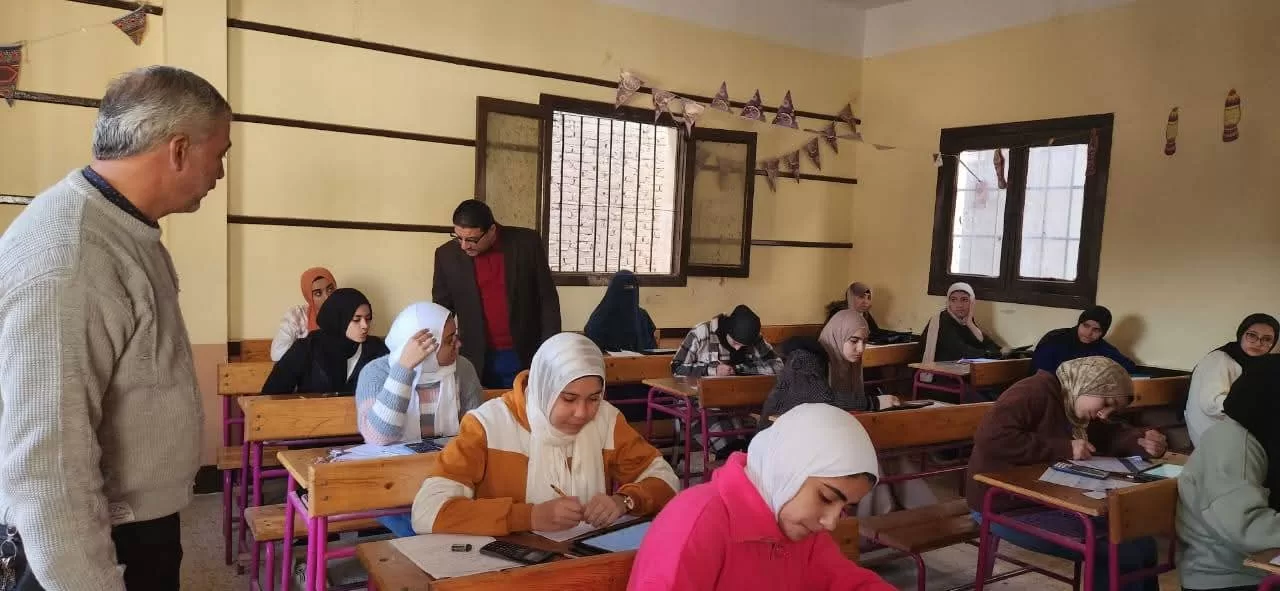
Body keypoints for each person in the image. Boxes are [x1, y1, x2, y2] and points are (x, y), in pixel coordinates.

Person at [0, 66, 229, 590]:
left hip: (136, 524)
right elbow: (47, 468)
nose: (219, 172)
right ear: (178, 150)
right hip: (88, 543)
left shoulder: (123, 230)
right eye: (220, 153)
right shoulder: (70, 257)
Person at [409, 333, 679, 536]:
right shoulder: (487, 426)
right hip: (505, 571)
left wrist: (624, 501)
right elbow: (427, 511)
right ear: (543, 389)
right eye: (569, 398)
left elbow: (665, 478)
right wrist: (529, 517)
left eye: (594, 398)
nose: (582, 413)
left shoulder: (606, 420)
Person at [627, 403, 896, 591]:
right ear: (788, 468)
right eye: (825, 497)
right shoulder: (695, 522)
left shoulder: (800, 525)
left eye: (845, 507)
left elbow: (848, 583)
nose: (831, 522)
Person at [967, 357, 1167, 591]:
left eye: (1112, 411)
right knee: (1118, 551)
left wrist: (1142, 441)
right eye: (1107, 402)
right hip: (1004, 506)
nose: (1104, 414)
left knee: (1143, 544)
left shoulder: (1077, 406)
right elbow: (991, 438)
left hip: (1048, 501)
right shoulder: (1035, 391)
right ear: (1091, 383)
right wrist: (1064, 448)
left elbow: (1109, 435)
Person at [1176, 356, 1280, 591]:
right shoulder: (1232, 442)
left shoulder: (1266, 435)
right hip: (1227, 577)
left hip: (1259, 568)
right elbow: (1246, 528)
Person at [432, 199, 560, 389]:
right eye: (458, 237)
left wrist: (550, 350)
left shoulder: (526, 244)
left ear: (492, 230)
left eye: (472, 239)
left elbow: (547, 300)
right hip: (475, 355)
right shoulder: (446, 255)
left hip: (525, 351)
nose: (464, 246)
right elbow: (441, 311)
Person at [356, 302, 484, 445]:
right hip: (394, 459)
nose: (458, 345)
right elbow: (378, 437)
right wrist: (404, 368)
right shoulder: (375, 372)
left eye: (456, 336)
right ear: (425, 344)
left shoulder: (463, 368)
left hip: (449, 456)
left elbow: (475, 431)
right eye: (449, 341)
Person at [261, 288, 388, 394]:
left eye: (368, 318)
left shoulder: (376, 349)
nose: (365, 325)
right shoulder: (306, 348)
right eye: (356, 319)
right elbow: (270, 396)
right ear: (338, 319)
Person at [1184, 313, 1279, 446]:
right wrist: (1259, 410)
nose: (1258, 343)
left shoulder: (1259, 365)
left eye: (1267, 339)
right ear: (1241, 335)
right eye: (1252, 335)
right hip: (1212, 435)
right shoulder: (1219, 359)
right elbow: (1211, 405)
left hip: (1237, 431)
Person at [671, 305, 783, 377]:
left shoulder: (754, 337)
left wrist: (737, 369)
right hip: (701, 399)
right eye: (735, 342)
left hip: (741, 397)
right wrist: (712, 371)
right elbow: (676, 368)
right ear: (727, 331)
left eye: (744, 345)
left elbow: (778, 366)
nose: (738, 348)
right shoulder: (701, 333)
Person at [1031, 306, 1138, 374]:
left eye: (1096, 330)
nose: (1089, 333)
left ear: (1103, 333)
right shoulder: (1055, 339)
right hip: (1046, 391)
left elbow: (1129, 367)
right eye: (1086, 326)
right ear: (1079, 324)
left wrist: (1100, 368)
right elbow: (1040, 374)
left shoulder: (1101, 346)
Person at [920, 282, 1001, 364]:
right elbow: (962, 352)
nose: (959, 305)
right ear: (948, 303)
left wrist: (971, 324)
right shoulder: (942, 321)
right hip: (937, 370)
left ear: (972, 302)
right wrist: (991, 354)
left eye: (964, 300)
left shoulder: (965, 320)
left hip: (957, 369)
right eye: (953, 300)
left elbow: (992, 347)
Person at [271, 267, 337, 361]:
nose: (327, 297)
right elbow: (277, 353)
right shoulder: (297, 316)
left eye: (330, 289)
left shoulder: (347, 313)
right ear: (308, 296)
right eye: (318, 293)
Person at [583, 270, 657, 353]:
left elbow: (651, 349)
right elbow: (592, 349)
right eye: (623, 291)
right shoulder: (600, 318)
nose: (626, 298)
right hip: (606, 361)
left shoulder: (642, 316)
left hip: (642, 360)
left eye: (630, 291)